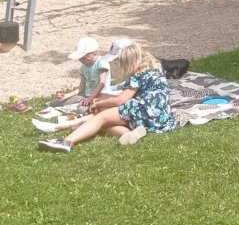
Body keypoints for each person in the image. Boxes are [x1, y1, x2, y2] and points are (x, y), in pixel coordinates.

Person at [38, 43, 176, 152]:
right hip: (161, 116)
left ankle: (66, 141)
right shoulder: (156, 72)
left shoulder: (137, 76)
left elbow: (120, 100)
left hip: (144, 111)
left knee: (101, 118)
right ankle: (129, 133)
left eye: (120, 63)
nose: (119, 65)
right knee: (103, 122)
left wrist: (99, 104)